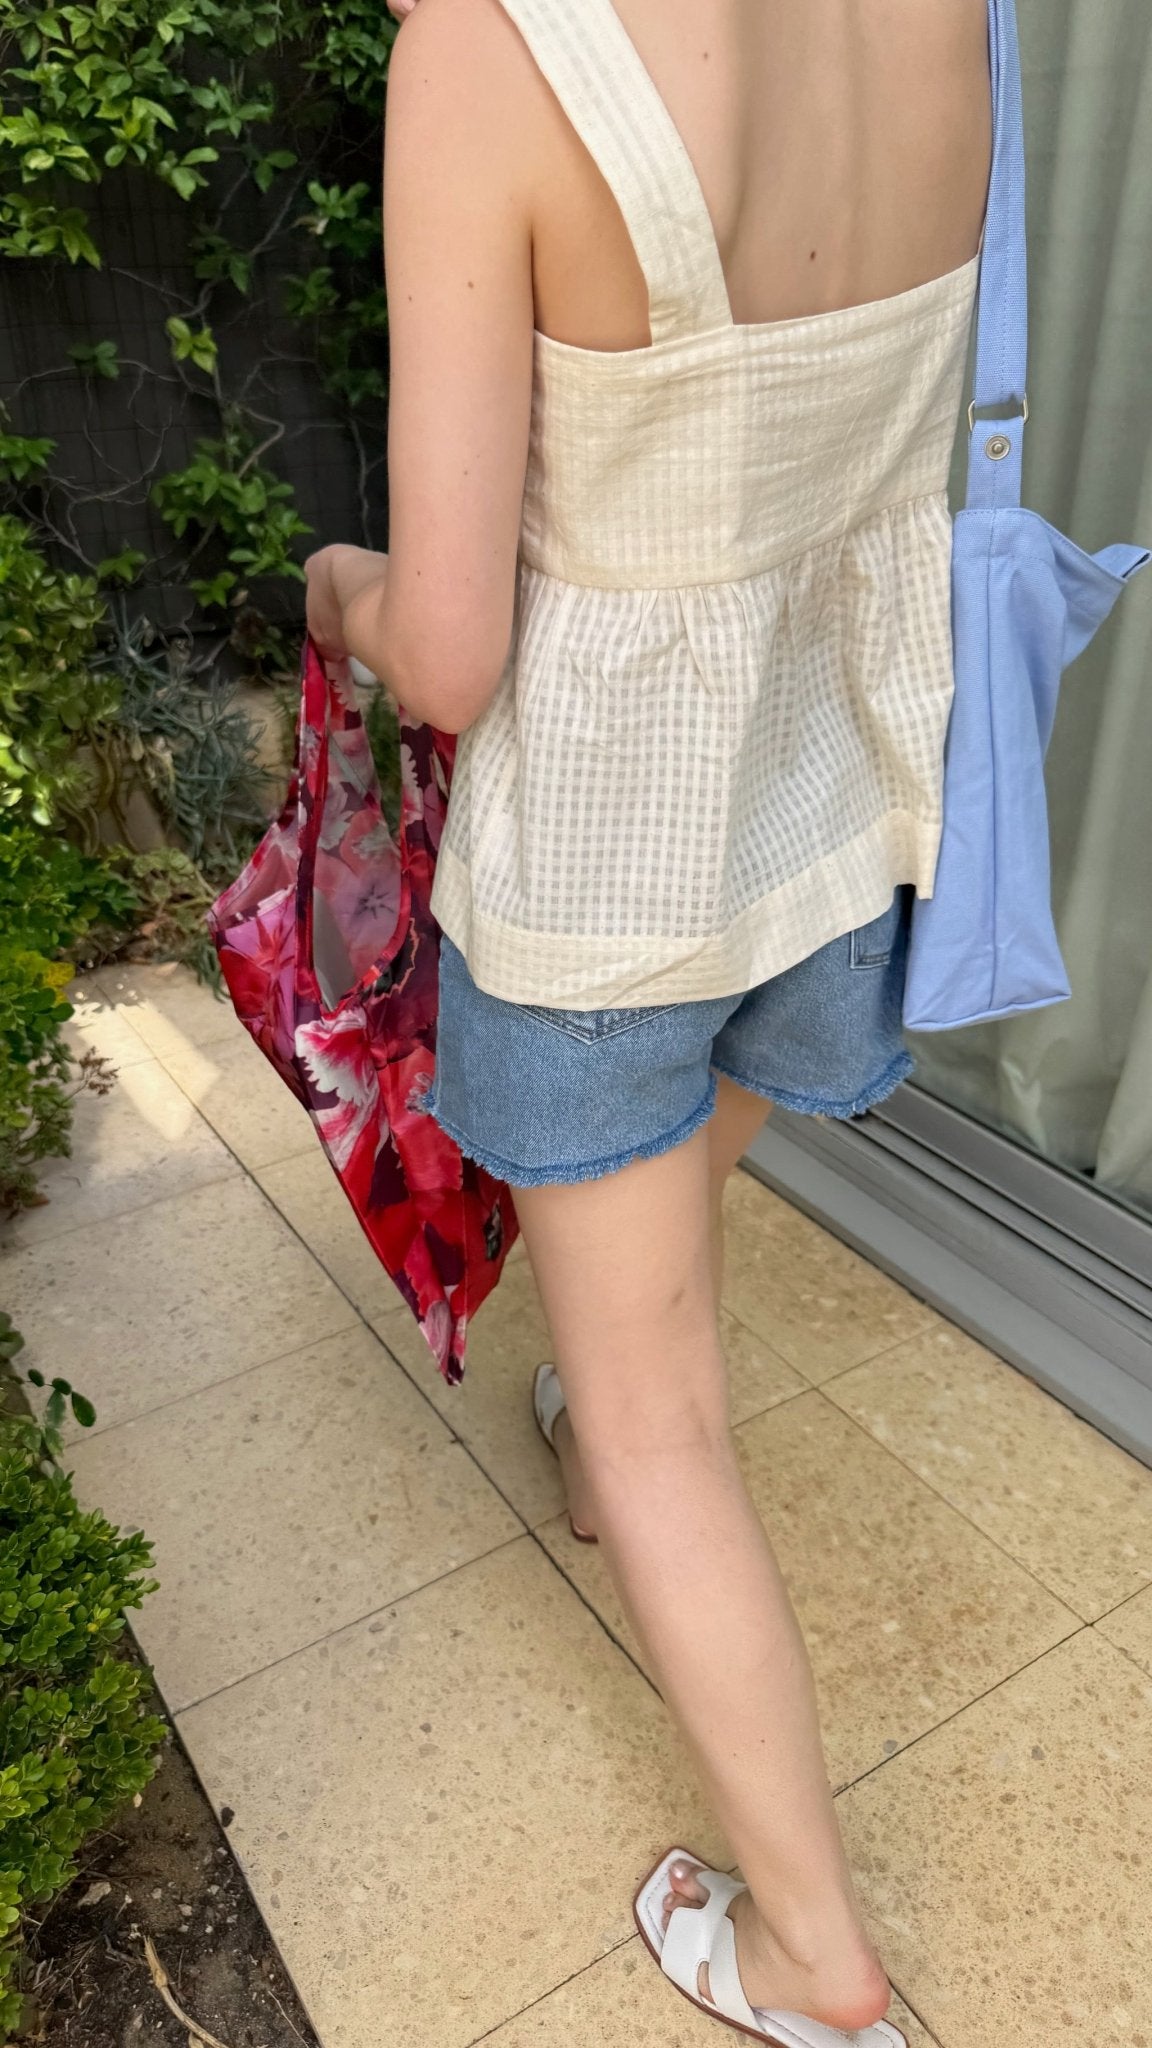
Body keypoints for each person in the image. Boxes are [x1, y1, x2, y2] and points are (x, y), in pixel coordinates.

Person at [304, 1, 993, 2038]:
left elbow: (445, 650)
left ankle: (814, 1955)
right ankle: (602, 1430)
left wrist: (338, 588)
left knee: (664, 1404)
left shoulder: (489, 55)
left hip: (615, 857)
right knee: (663, 1284)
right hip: (845, 782)